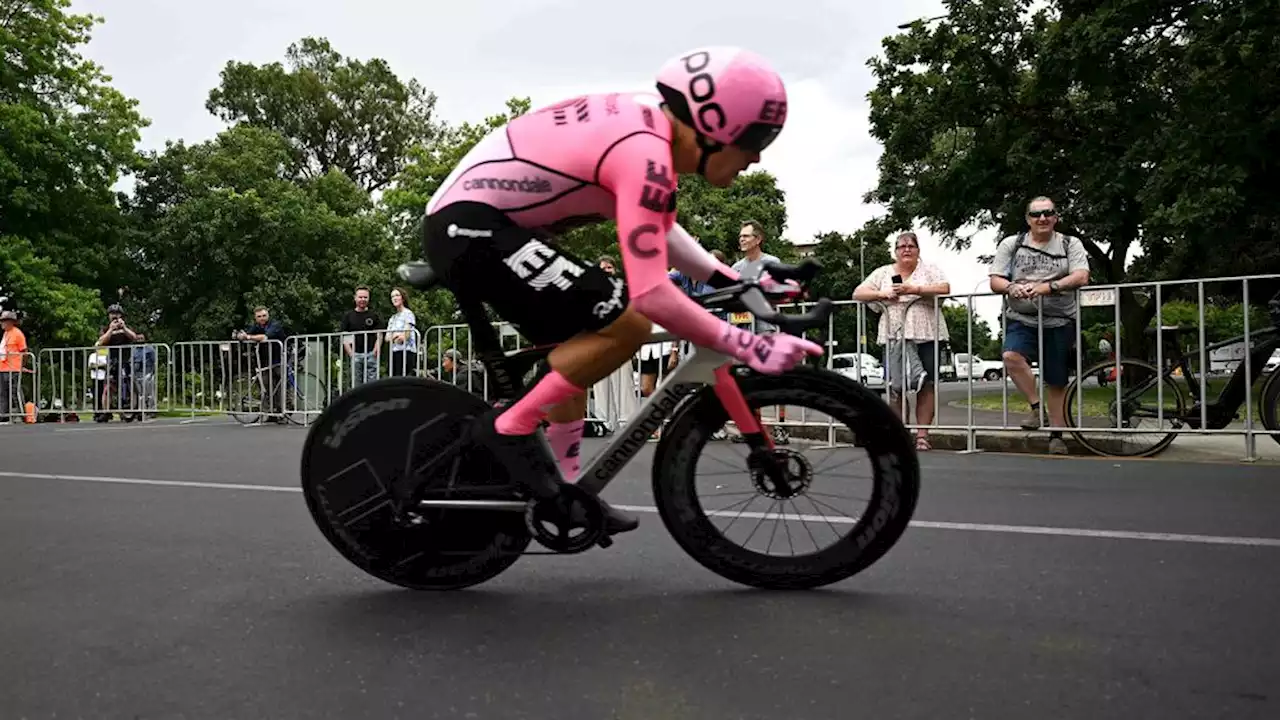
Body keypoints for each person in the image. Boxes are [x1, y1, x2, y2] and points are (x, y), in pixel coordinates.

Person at [420, 46, 822, 536]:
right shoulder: (643, 149)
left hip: (482, 224)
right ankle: (510, 428)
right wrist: (749, 344)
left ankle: (567, 493)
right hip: (470, 226)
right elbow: (651, 294)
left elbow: (666, 237)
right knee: (626, 322)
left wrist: (737, 282)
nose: (757, 156)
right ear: (711, 125)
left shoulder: (653, 134)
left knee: (578, 351)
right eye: (754, 139)